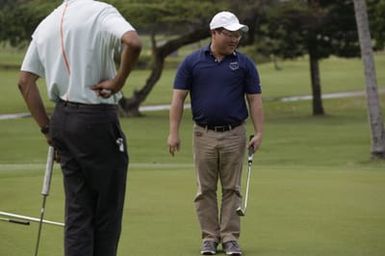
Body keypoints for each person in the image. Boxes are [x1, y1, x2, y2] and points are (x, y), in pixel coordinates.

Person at [18, 0, 141, 255]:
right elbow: (133, 41)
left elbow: (25, 82)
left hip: (62, 120)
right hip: (96, 118)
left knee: (78, 210)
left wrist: (47, 130)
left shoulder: (48, 22)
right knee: (107, 208)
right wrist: (118, 81)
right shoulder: (102, 11)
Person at [167, 11, 264, 255]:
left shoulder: (244, 64)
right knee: (205, 190)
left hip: (235, 134)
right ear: (214, 33)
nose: (235, 39)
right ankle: (209, 238)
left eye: (237, 35)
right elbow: (178, 98)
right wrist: (173, 133)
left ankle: (230, 238)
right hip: (203, 134)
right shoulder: (192, 62)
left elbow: (255, 99)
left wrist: (259, 132)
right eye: (229, 34)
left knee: (232, 188)